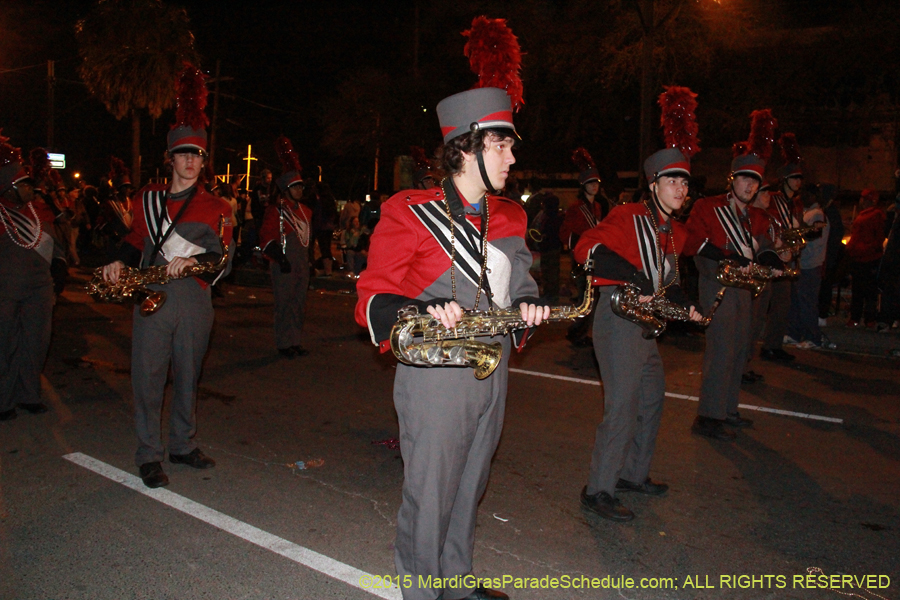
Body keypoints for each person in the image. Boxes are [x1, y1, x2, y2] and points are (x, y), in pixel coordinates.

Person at [355, 39, 547, 598]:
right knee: (432, 491)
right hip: (437, 374)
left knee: (471, 484)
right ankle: (420, 590)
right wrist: (420, 309)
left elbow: (521, 282)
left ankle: (457, 583)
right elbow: (372, 295)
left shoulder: (511, 216)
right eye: (502, 146)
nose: (513, 158)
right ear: (467, 147)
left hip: (495, 368)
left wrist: (528, 310)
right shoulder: (409, 211)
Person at [100, 65, 233, 488]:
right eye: (183, 154)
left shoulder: (218, 206)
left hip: (193, 296)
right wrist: (119, 260)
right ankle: (148, 453)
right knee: (148, 377)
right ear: (170, 158)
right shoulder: (148, 198)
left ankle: (182, 444)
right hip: (153, 292)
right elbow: (136, 238)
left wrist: (194, 263)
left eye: (197, 155)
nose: (190, 161)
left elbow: (223, 258)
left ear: (203, 160)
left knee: (188, 376)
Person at [574, 87, 703, 521]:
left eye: (684, 181)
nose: (680, 187)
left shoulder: (671, 231)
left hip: (646, 326)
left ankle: (632, 474)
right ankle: (599, 490)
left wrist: (689, 309)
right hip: (618, 318)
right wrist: (633, 274)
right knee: (623, 404)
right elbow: (585, 248)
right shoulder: (629, 216)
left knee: (651, 397)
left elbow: (669, 281)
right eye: (672, 180)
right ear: (653, 185)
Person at [684, 110, 784, 441]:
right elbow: (692, 243)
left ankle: (727, 409)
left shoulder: (756, 217)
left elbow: (765, 246)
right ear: (733, 180)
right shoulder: (708, 207)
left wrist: (772, 260)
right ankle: (708, 415)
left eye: (754, 181)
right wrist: (728, 255)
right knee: (721, 348)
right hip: (718, 286)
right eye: (744, 179)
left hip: (745, 290)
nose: (749, 185)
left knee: (740, 348)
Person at [0, 136, 58, 421]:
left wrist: (58, 267)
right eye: (22, 184)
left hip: (39, 289)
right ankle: (3, 399)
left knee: (36, 342)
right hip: (5, 290)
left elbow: (54, 245)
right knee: (5, 343)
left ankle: (29, 394)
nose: (28, 188)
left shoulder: (40, 210)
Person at [259, 136, 312, 358]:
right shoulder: (277, 211)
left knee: (298, 304)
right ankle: (283, 342)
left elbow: (308, 238)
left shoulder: (306, 211)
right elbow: (266, 238)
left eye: (301, 186)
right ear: (286, 189)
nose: (300, 190)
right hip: (284, 263)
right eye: (295, 186)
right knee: (284, 303)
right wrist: (279, 259)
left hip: (301, 262)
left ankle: (295, 340)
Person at [562, 148, 605, 346]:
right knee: (584, 297)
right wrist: (579, 244)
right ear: (583, 186)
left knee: (593, 297)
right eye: (590, 183)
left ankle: (583, 332)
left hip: (595, 256)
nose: (594, 186)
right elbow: (565, 232)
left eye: (596, 183)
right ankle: (576, 332)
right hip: (581, 257)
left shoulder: (598, 207)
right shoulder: (575, 207)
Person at [786, 184, 832, 348]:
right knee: (797, 302)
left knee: (807, 302)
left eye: (805, 193)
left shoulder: (816, 214)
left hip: (810, 265)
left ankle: (813, 337)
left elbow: (812, 236)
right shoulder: (808, 213)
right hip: (804, 264)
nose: (801, 196)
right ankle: (795, 333)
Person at [845, 189, 886, 328]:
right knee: (863, 290)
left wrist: (856, 250)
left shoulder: (873, 216)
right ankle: (864, 319)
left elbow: (875, 239)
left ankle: (863, 318)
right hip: (863, 258)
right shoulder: (871, 216)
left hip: (866, 258)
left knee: (865, 291)